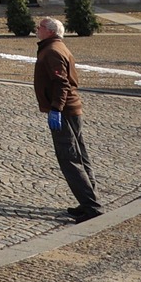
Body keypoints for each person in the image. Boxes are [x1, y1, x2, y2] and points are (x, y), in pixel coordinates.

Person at [35, 15, 102, 221]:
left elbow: (61, 83)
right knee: (79, 155)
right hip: (71, 109)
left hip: (64, 111)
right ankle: (89, 201)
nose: (37, 29)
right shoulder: (55, 47)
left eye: (40, 27)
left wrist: (56, 108)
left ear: (50, 31)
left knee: (70, 158)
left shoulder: (53, 51)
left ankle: (91, 206)